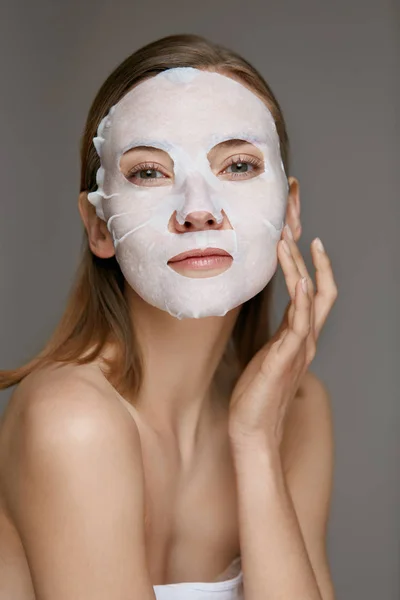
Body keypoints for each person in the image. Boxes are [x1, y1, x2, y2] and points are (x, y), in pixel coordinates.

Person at [0, 34, 338, 600]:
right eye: (149, 173)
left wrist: (255, 440)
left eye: (237, 164)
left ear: (290, 208)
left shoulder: (295, 411)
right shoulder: (72, 422)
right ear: (99, 226)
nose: (198, 210)